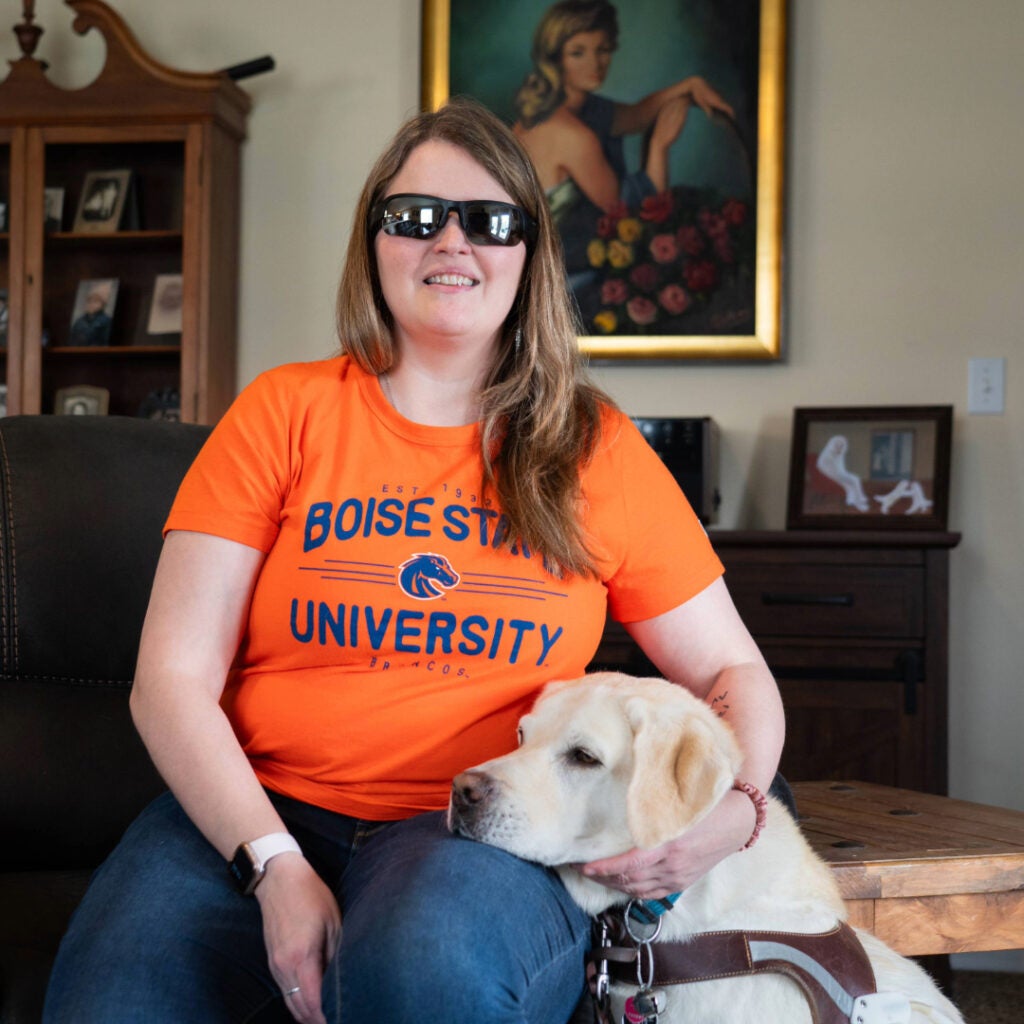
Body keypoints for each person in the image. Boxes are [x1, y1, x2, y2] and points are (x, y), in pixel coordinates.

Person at [44, 96, 784, 1024]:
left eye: (490, 220)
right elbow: (170, 681)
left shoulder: (592, 446)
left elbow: (730, 669)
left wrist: (738, 808)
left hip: (479, 824)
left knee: (420, 971)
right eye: (417, 217)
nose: (452, 242)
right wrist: (274, 865)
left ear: (530, 253)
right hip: (260, 804)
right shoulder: (283, 411)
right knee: (112, 999)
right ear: (376, 242)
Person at [513, 0, 735, 286]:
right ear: (555, 59)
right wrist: (659, 147)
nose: (595, 63)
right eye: (578, 53)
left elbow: (636, 116)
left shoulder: (577, 109)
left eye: (602, 50)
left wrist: (690, 85)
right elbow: (630, 216)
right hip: (562, 283)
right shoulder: (570, 135)